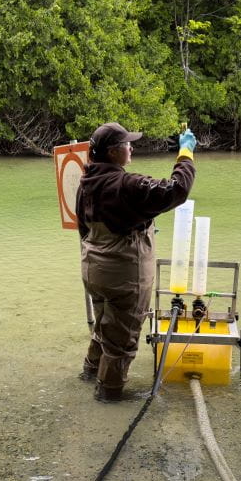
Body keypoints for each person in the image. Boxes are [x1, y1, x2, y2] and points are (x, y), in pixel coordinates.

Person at [76, 121, 197, 402]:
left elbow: (84, 227)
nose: (131, 147)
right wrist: (185, 154)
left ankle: (90, 371)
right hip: (123, 276)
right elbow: (177, 190)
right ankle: (109, 395)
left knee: (105, 326)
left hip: (93, 270)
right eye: (126, 145)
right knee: (122, 340)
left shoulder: (86, 183)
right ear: (112, 153)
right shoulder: (126, 184)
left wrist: (141, 223)